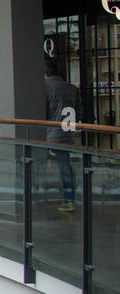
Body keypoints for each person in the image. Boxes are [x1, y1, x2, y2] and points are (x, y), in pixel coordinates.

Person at [44, 60, 83, 212]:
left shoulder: (45, 87)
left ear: (45, 74)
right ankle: (69, 199)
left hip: (50, 131)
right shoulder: (72, 88)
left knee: (37, 164)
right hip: (67, 132)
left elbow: (42, 111)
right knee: (64, 165)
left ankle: (42, 197)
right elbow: (78, 110)